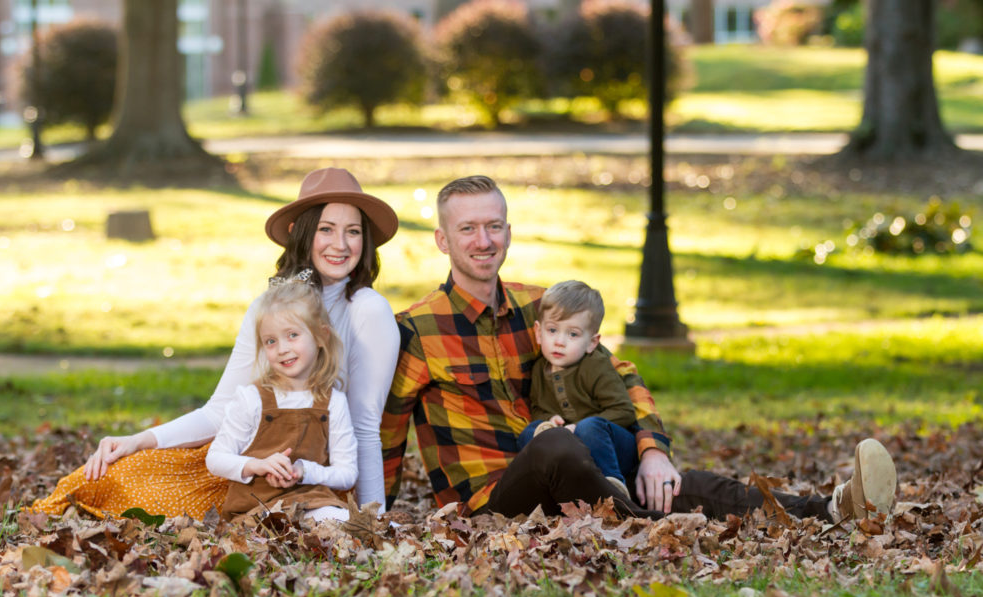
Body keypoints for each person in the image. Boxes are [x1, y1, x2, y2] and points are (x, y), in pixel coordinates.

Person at [380, 175, 897, 524]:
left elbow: (621, 374)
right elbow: (384, 430)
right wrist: (368, 514)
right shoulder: (417, 330)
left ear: (509, 232)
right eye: (467, 228)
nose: (483, 240)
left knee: (678, 482)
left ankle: (829, 512)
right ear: (443, 241)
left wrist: (652, 452)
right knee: (554, 447)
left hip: (582, 474)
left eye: (493, 226)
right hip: (493, 501)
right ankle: (647, 528)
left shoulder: (543, 307)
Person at [31, 168, 400, 521]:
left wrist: (372, 519)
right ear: (302, 233)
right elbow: (220, 411)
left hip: (314, 479)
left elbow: (365, 425)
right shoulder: (267, 307)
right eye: (326, 229)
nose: (340, 244)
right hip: (247, 465)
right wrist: (139, 440)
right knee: (115, 475)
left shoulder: (367, 310)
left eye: (353, 232)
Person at [209, 275, 359, 521]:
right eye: (271, 341)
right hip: (256, 509)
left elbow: (347, 473)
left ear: (321, 336)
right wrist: (257, 465)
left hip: (312, 503)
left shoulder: (333, 402)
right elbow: (216, 458)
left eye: (292, 335)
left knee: (345, 522)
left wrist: (303, 471)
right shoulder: (251, 399)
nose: (282, 349)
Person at [516, 280, 637, 497]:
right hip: (575, 452)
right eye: (552, 330)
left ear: (592, 342)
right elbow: (539, 407)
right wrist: (550, 421)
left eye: (572, 334)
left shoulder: (596, 365)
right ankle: (545, 478)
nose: (559, 341)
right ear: (538, 332)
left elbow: (624, 411)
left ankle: (614, 487)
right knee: (529, 432)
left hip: (616, 448)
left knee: (590, 427)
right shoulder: (538, 370)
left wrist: (577, 428)